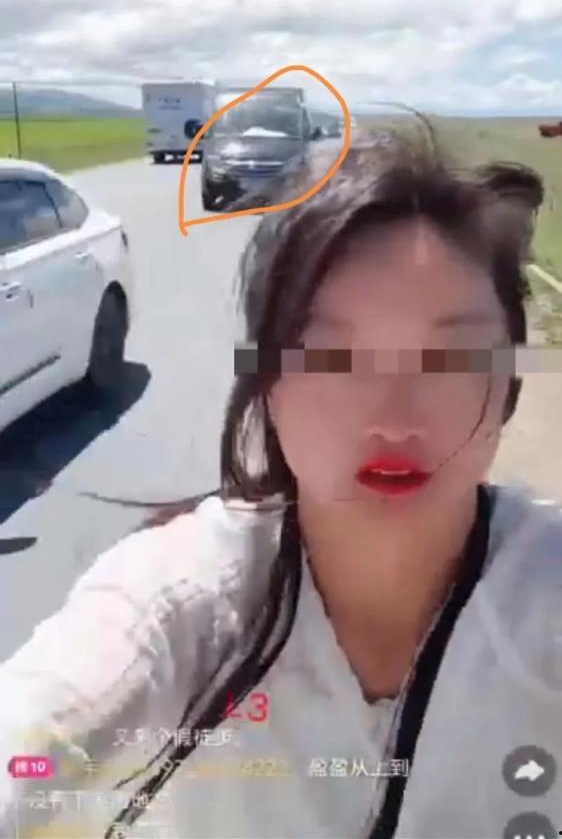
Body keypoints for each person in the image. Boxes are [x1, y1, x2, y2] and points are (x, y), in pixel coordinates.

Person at [1, 132, 561, 839]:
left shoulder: (543, 590)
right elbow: (41, 720)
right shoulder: (185, 597)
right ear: (267, 385)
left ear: (510, 382)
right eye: (331, 356)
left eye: (451, 356)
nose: (392, 415)